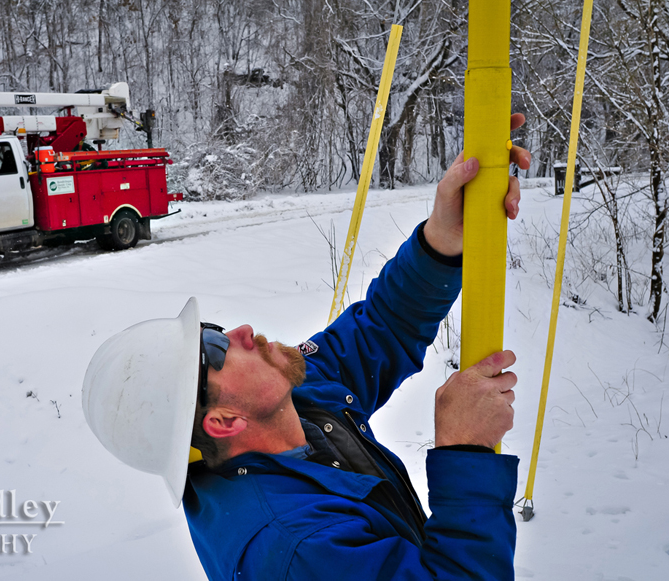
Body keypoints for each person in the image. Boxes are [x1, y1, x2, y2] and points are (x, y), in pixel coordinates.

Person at [82, 115, 531, 580]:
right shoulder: (296, 550)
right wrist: (465, 457)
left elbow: (380, 329)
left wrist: (443, 238)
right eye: (214, 348)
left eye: (212, 327)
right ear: (222, 421)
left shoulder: (290, 400)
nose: (240, 332)